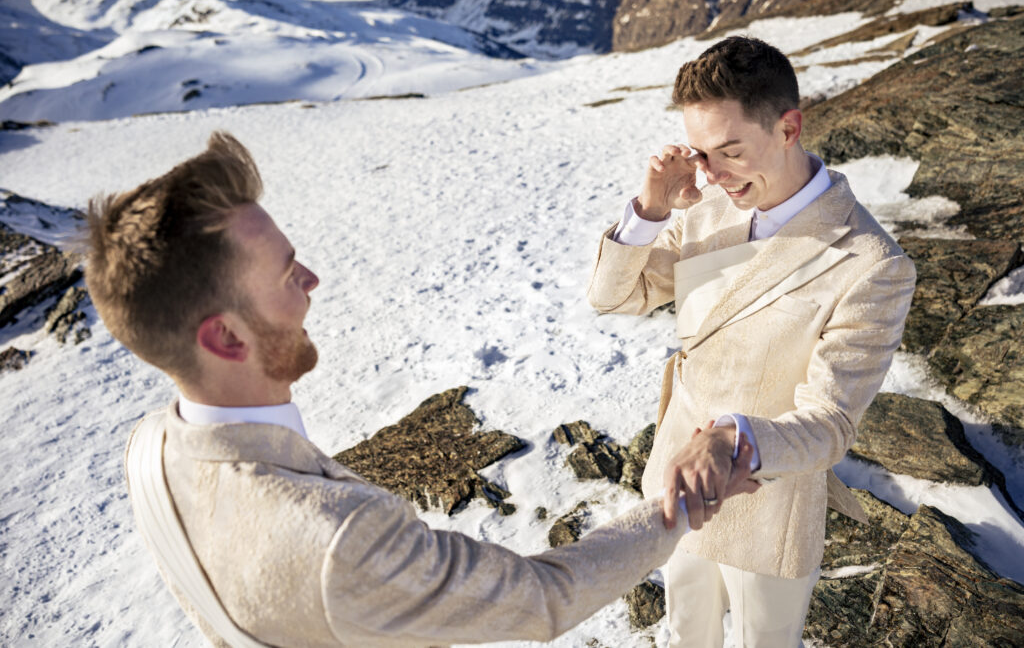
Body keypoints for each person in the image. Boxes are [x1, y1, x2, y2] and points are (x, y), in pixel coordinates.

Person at [85, 131, 758, 647]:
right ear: (226, 339)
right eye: (289, 273)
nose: (313, 279)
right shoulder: (342, 540)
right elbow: (544, 597)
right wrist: (680, 504)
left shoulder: (151, 450)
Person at [586, 36, 916, 647]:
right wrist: (651, 209)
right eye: (702, 153)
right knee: (688, 632)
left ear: (789, 126)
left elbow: (831, 423)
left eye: (731, 151)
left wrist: (731, 438)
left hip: (768, 498)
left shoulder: (869, 262)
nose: (713, 174)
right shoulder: (705, 208)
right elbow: (616, 298)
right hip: (676, 481)